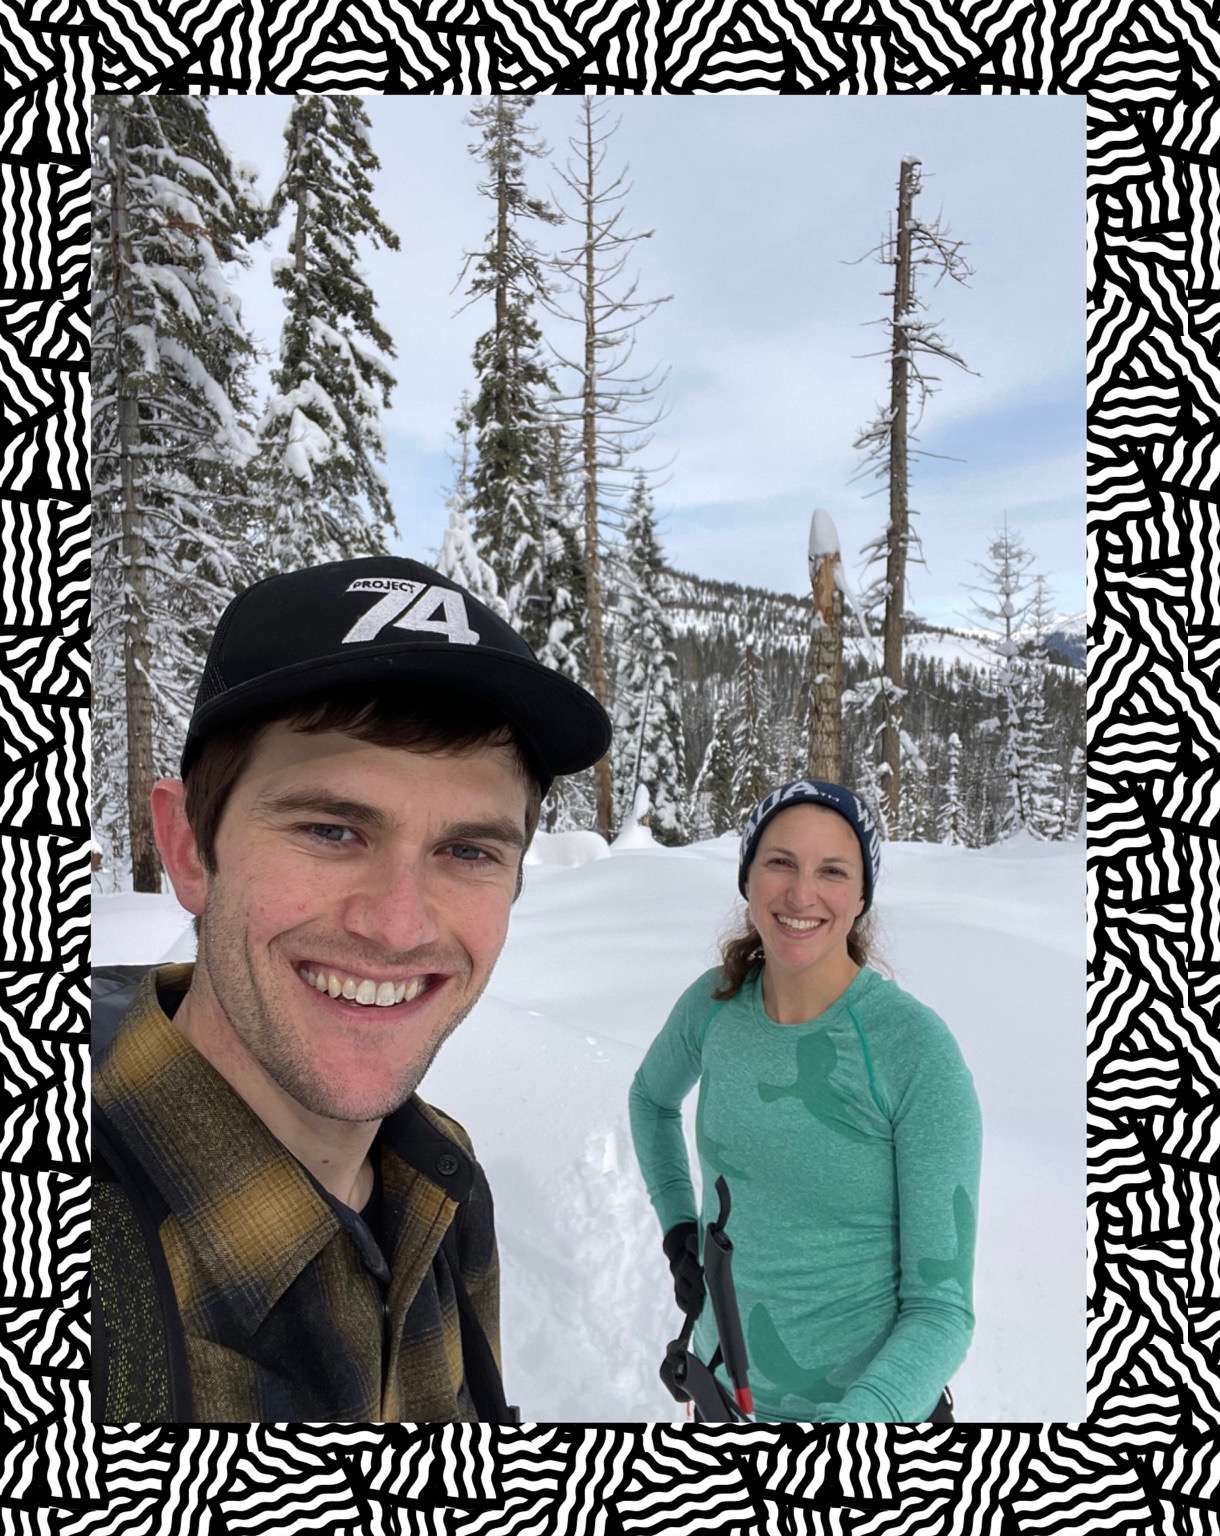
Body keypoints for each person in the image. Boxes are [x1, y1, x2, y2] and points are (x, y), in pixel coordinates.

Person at [92, 555, 610, 1424]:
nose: (399, 926)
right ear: (188, 849)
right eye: (332, 830)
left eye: (469, 851)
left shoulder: (439, 1177)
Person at [628, 779, 981, 1423]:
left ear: (862, 896)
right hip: (719, 1397)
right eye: (780, 862)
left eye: (833, 871)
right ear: (748, 878)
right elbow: (651, 1100)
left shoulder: (913, 1050)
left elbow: (941, 1312)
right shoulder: (714, 1005)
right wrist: (680, 1228)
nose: (800, 894)